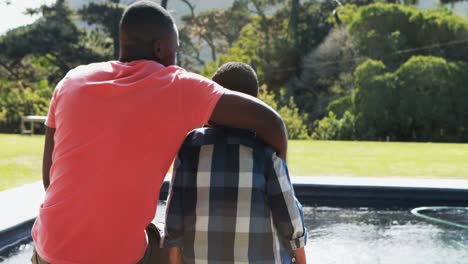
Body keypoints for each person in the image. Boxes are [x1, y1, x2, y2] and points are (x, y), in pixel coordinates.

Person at [31, 1, 288, 263]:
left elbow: (48, 179)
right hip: (117, 257)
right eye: (175, 50)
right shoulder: (177, 87)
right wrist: (277, 173)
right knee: (179, 249)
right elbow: (271, 122)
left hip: (48, 250)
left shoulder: (71, 81)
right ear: (160, 47)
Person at [164, 62, 307, 264]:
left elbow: (174, 216)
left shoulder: (191, 147)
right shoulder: (265, 150)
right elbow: (290, 220)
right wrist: (302, 260)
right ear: (254, 106)